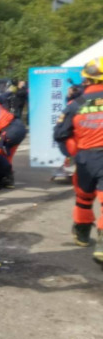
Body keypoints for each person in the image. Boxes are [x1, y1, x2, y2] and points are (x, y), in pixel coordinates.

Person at [53, 58, 103, 266]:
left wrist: (74, 153)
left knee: (83, 195)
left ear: (86, 80)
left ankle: (82, 235)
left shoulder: (75, 105)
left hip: (84, 158)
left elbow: (60, 134)